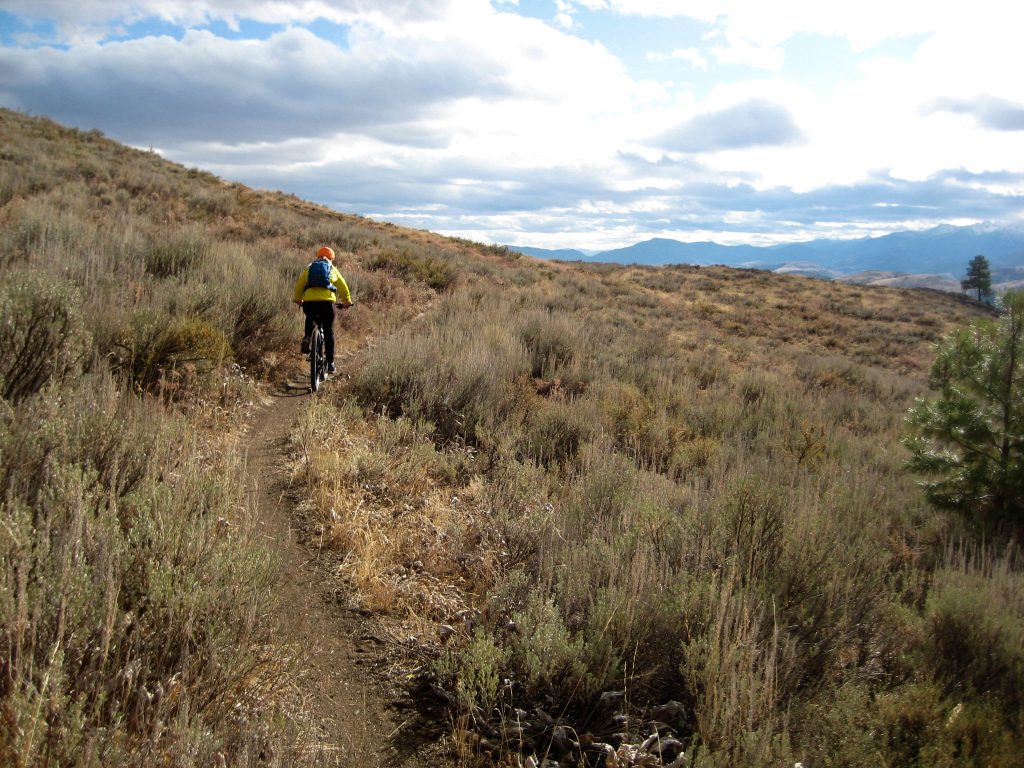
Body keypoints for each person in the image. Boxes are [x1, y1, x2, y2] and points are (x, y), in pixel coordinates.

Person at [293, 246, 352, 375]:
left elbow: (300, 284)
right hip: (327, 304)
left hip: (309, 303)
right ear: (331, 258)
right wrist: (347, 302)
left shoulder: (309, 268)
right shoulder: (332, 269)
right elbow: (343, 285)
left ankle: (307, 338)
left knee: (311, 317)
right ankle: (330, 363)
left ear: (318, 256)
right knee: (328, 331)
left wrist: (298, 299)